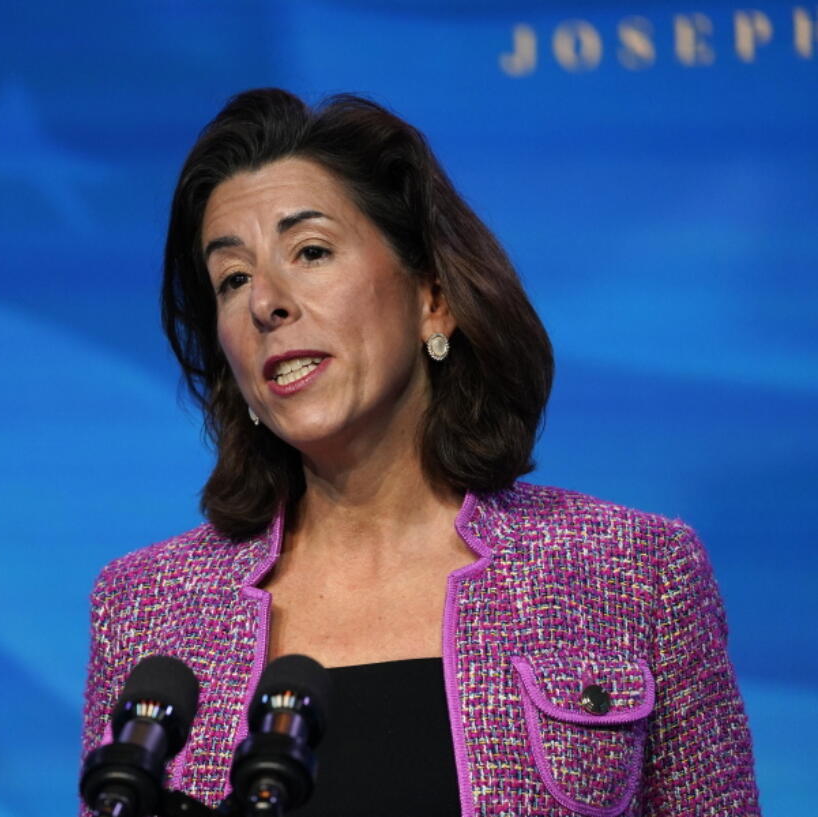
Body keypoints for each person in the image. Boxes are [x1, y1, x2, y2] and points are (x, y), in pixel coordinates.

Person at [81, 88, 759, 816]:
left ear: (432, 296)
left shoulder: (633, 572)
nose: (265, 303)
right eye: (233, 278)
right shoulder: (150, 607)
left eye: (310, 252)